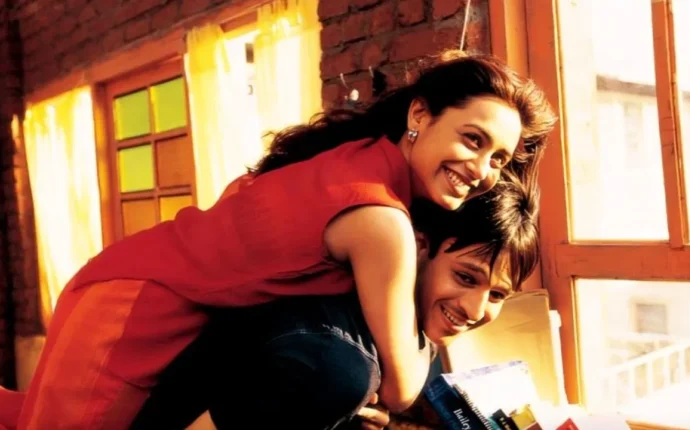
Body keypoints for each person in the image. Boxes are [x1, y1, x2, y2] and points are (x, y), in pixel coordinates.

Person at [1, 50, 556, 430]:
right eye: (473, 139)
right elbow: (403, 389)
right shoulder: (381, 220)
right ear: (420, 114)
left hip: (172, 303)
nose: (482, 169)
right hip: (134, 310)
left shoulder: (368, 165)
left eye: (499, 159)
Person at [130, 176, 541, 430]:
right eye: (465, 278)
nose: (475, 309)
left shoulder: (411, 334)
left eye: (497, 295)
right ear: (418, 247)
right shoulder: (332, 359)